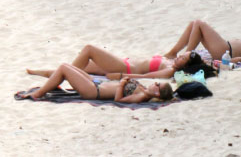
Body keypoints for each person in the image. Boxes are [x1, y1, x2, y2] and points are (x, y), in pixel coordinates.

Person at [27, 44, 216, 80]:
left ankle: (57, 76)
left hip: (122, 67)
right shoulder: (170, 61)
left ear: (185, 65)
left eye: (183, 57)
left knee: (89, 50)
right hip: (122, 61)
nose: (180, 55)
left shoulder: (169, 71)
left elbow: (148, 76)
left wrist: (120, 76)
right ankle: (45, 73)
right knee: (81, 68)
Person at [22, 63, 173, 102]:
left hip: (94, 91)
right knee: (68, 66)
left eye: (158, 85)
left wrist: (121, 84)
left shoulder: (141, 96)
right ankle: (48, 83)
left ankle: (38, 93)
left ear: (157, 92)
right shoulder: (144, 90)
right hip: (96, 84)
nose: (155, 84)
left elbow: (119, 100)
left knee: (63, 68)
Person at [163, 20, 241, 63]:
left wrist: (237, 60)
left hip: (226, 51)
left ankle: (187, 57)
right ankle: (173, 53)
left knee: (199, 24)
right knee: (194, 24)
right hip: (225, 46)